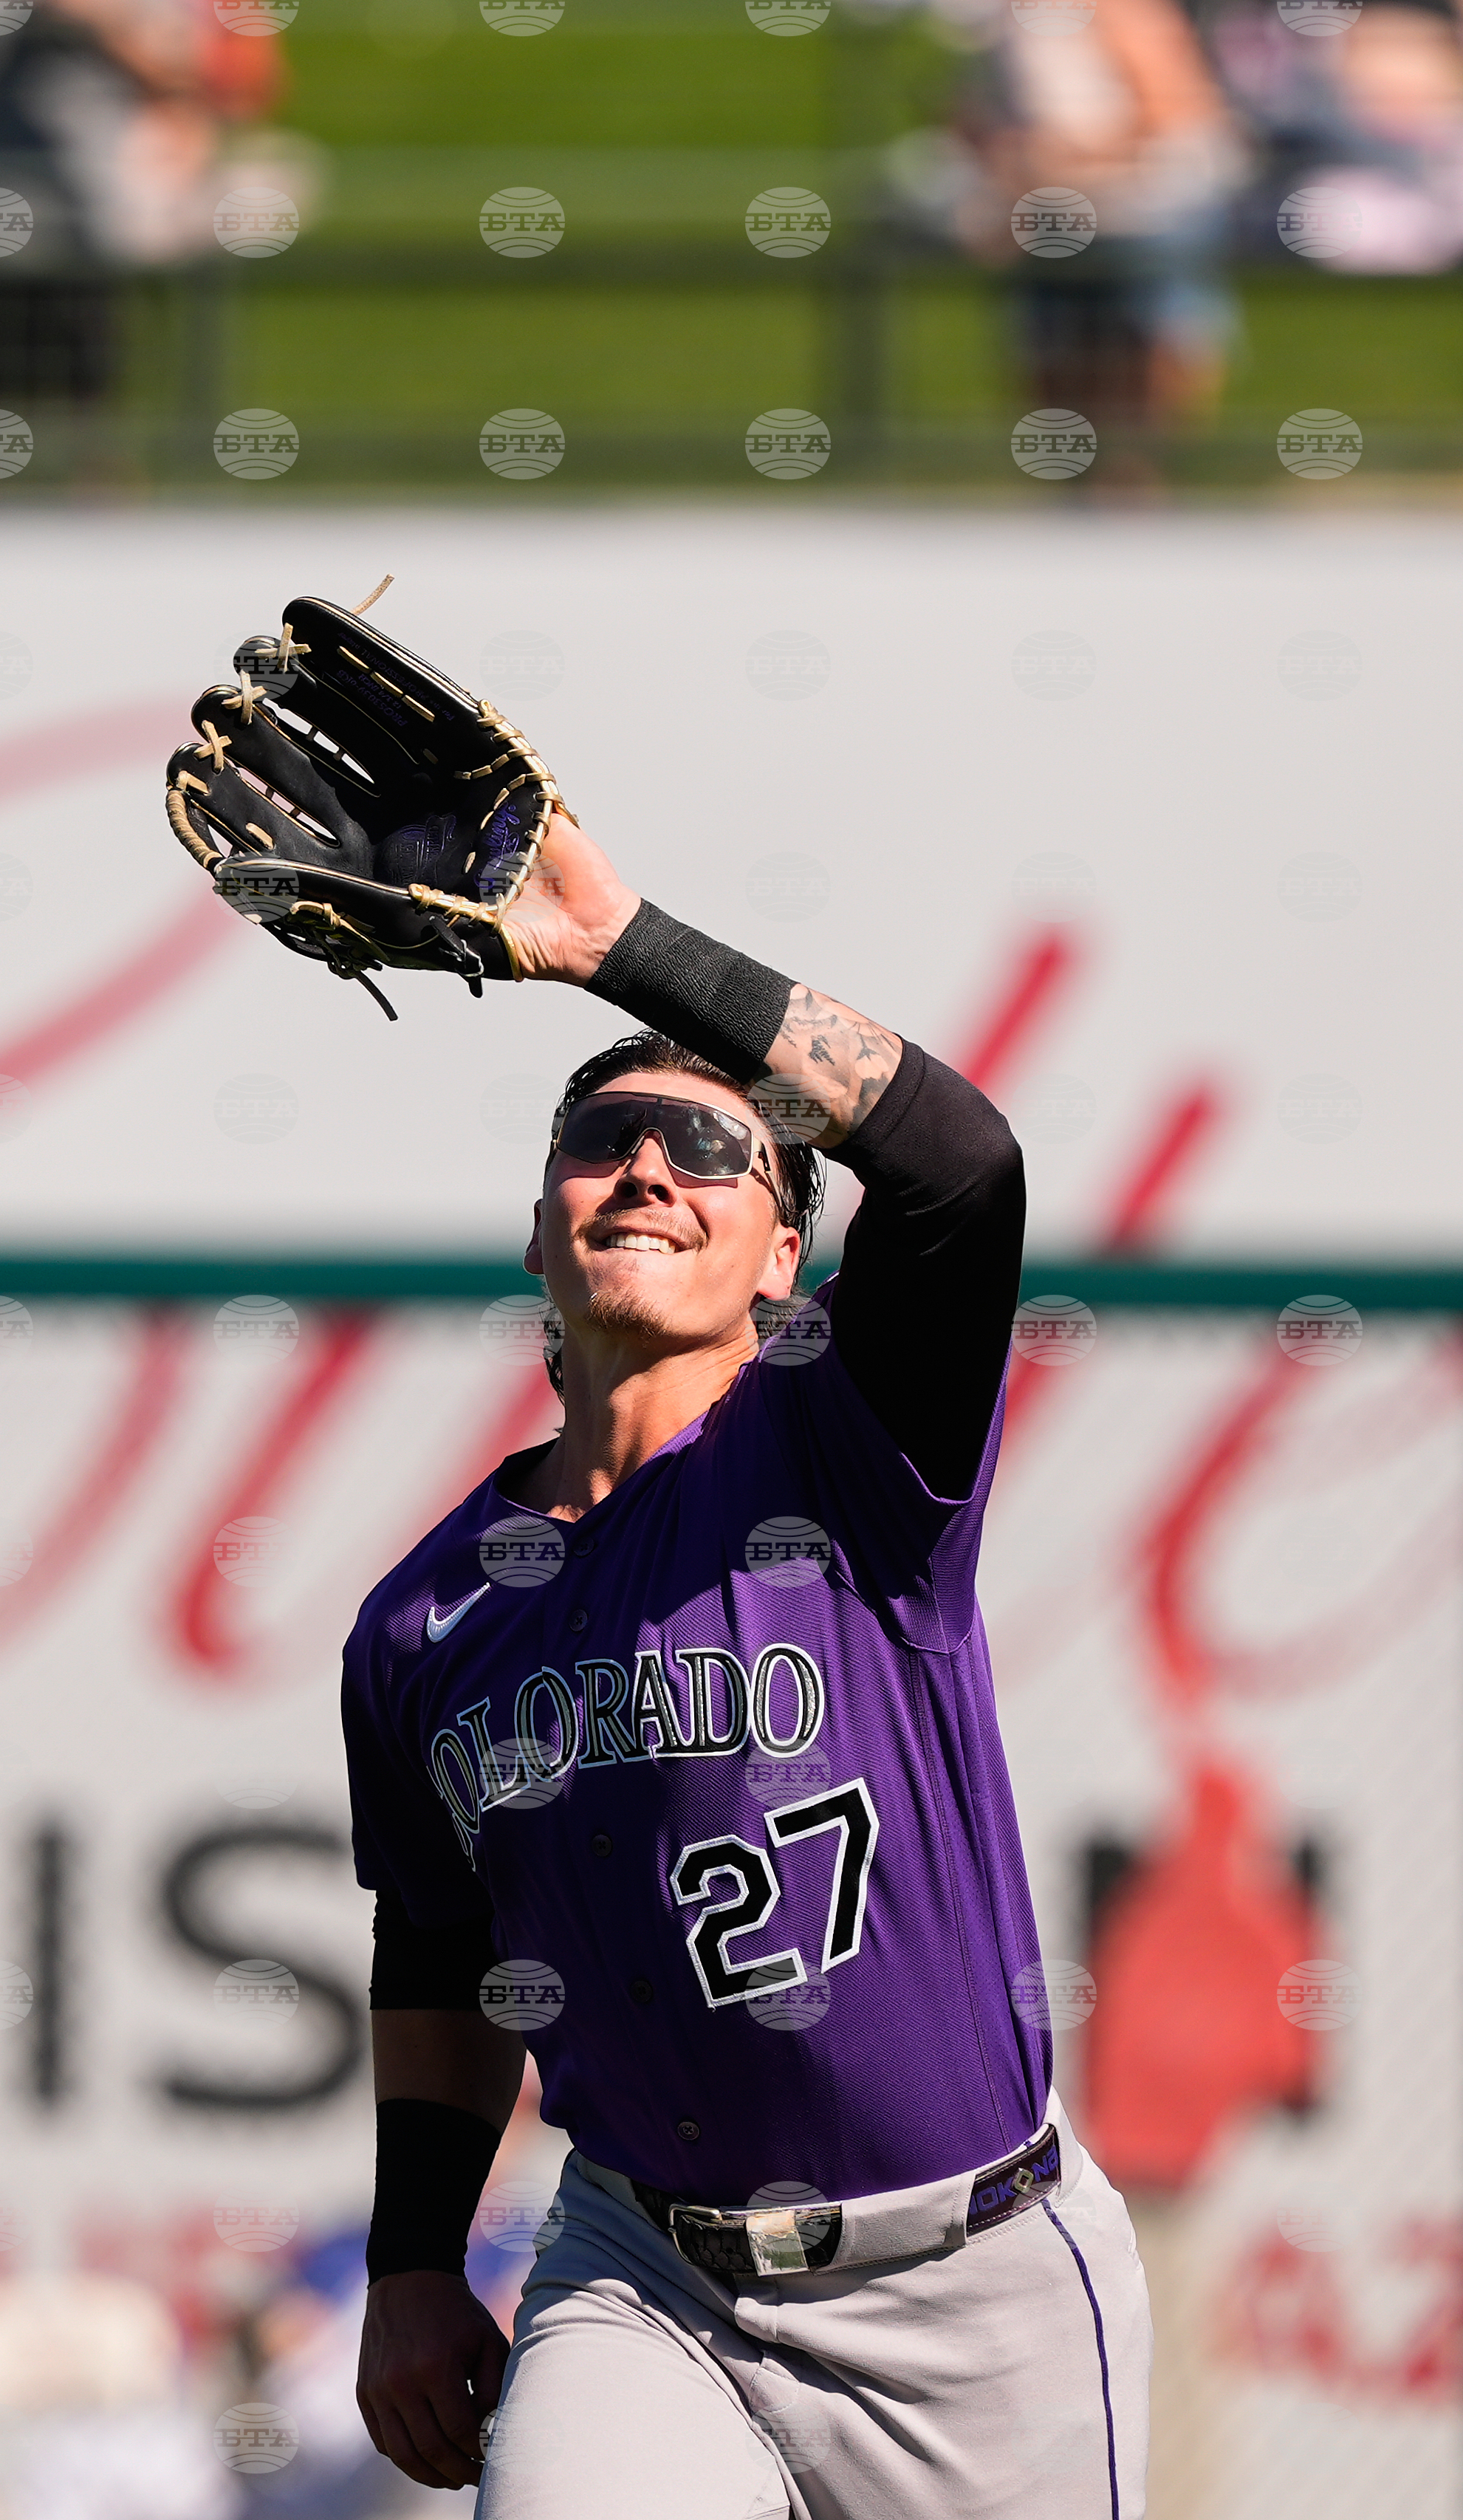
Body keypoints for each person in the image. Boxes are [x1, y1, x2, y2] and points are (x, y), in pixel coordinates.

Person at [340, 814, 1151, 2515]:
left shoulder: (846, 1459)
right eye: (603, 1142)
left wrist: (616, 944)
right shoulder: (423, 1623)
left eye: (715, 1151)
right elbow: (435, 1956)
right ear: (536, 1230)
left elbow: (959, 1164)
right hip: (648, 2276)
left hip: (968, 2284)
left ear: (783, 1255)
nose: (647, 1169)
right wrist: (413, 2260)